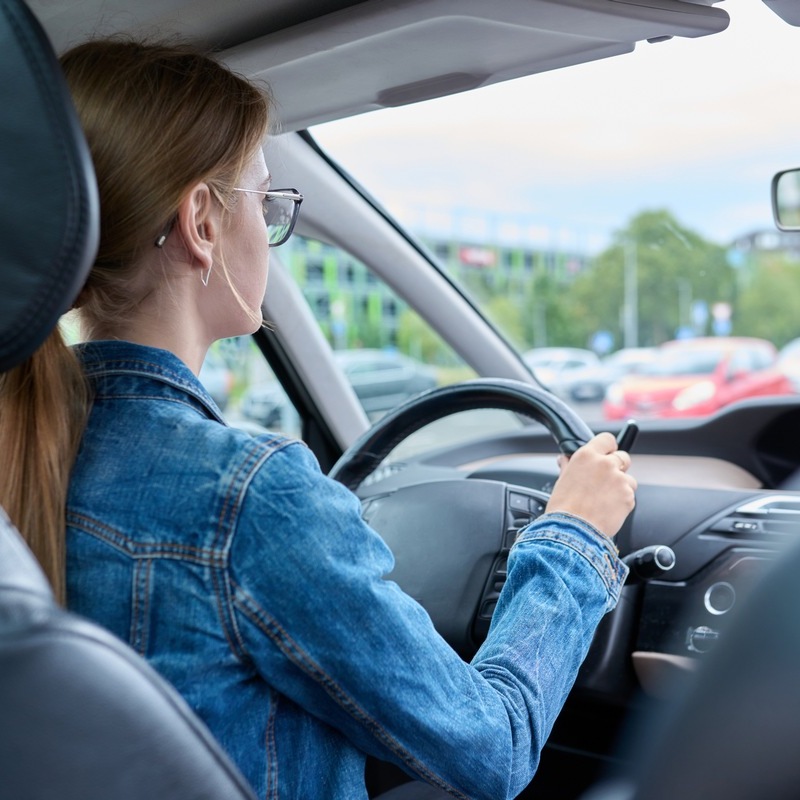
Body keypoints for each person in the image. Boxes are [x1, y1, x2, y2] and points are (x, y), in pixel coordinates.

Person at [0, 39, 636, 800]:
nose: (271, 232)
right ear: (202, 221)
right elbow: (491, 748)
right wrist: (573, 536)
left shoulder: (26, 442)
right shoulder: (248, 500)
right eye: (266, 205)